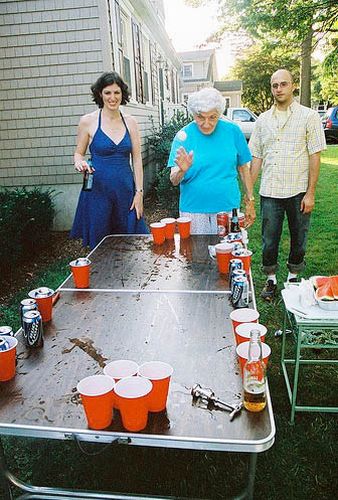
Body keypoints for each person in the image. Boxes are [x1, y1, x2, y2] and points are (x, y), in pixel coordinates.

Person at [249, 69, 326, 301]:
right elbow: (256, 157)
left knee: (298, 237)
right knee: (269, 239)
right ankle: (271, 280)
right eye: (275, 85)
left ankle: (293, 277)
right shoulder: (263, 120)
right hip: (270, 190)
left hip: (298, 190)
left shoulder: (309, 117)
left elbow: (315, 155)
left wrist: (310, 193)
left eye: (283, 84)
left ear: (293, 86)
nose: (279, 89)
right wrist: (249, 193)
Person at [70, 71, 148, 249]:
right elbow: (78, 153)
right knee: (100, 246)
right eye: (107, 93)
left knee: (132, 245)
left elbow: (137, 160)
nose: (112, 98)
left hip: (125, 191)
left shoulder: (131, 122)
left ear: (122, 94)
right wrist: (79, 162)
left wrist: (139, 193)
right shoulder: (88, 121)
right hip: (97, 191)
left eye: (116, 92)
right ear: (100, 94)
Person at [168, 88, 256, 234]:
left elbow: (243, 168)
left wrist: (250, 200)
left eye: (213, 117)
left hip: (228, 208)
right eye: (200, 117)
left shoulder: (233, 131)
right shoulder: (184, 136)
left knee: (228, 253)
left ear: (220, 114)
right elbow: (173, 180)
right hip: (193, 211)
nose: (206, 123)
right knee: (197, 255)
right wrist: (182, 170)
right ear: (193, 114)